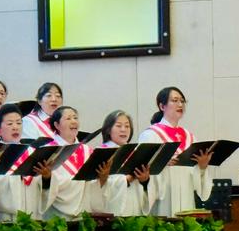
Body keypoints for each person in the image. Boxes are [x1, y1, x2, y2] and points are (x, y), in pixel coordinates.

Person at [138, 87, 213, 217]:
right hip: (163, 198)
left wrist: (202, 167)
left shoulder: (189, 137)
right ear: (162, 106)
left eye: (182, 101)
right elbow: (141, 167)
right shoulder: (151, 135)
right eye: (174, 100)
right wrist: (161, 163)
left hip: (186, 197)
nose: (180, 104)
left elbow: (196, 179)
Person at [0, 103, 52, 221]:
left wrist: (46, 177)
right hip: (5, 219)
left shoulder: (31, 152)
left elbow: (41, 188)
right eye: (10, 124)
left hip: (33, 217)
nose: (15, 127)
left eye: (19, 123)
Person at [88, 110, 150, 216]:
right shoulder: (101, 153)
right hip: (111, 211)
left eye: (127, 126)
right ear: (108, 130)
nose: (123, 130)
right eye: (118, 126)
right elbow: (95, 186)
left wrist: (144, 181)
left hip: (135, 208)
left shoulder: (135, 152)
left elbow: (143, 185)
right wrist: (126, 180)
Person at [42, 105, 93, 220]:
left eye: (75, 118)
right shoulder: (48, 151)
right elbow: (41, 186)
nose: (73, 121)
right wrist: (48, 178)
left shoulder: (87, 151)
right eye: (68, 118)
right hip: (54, 215)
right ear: (57, 125)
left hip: (81, 213)